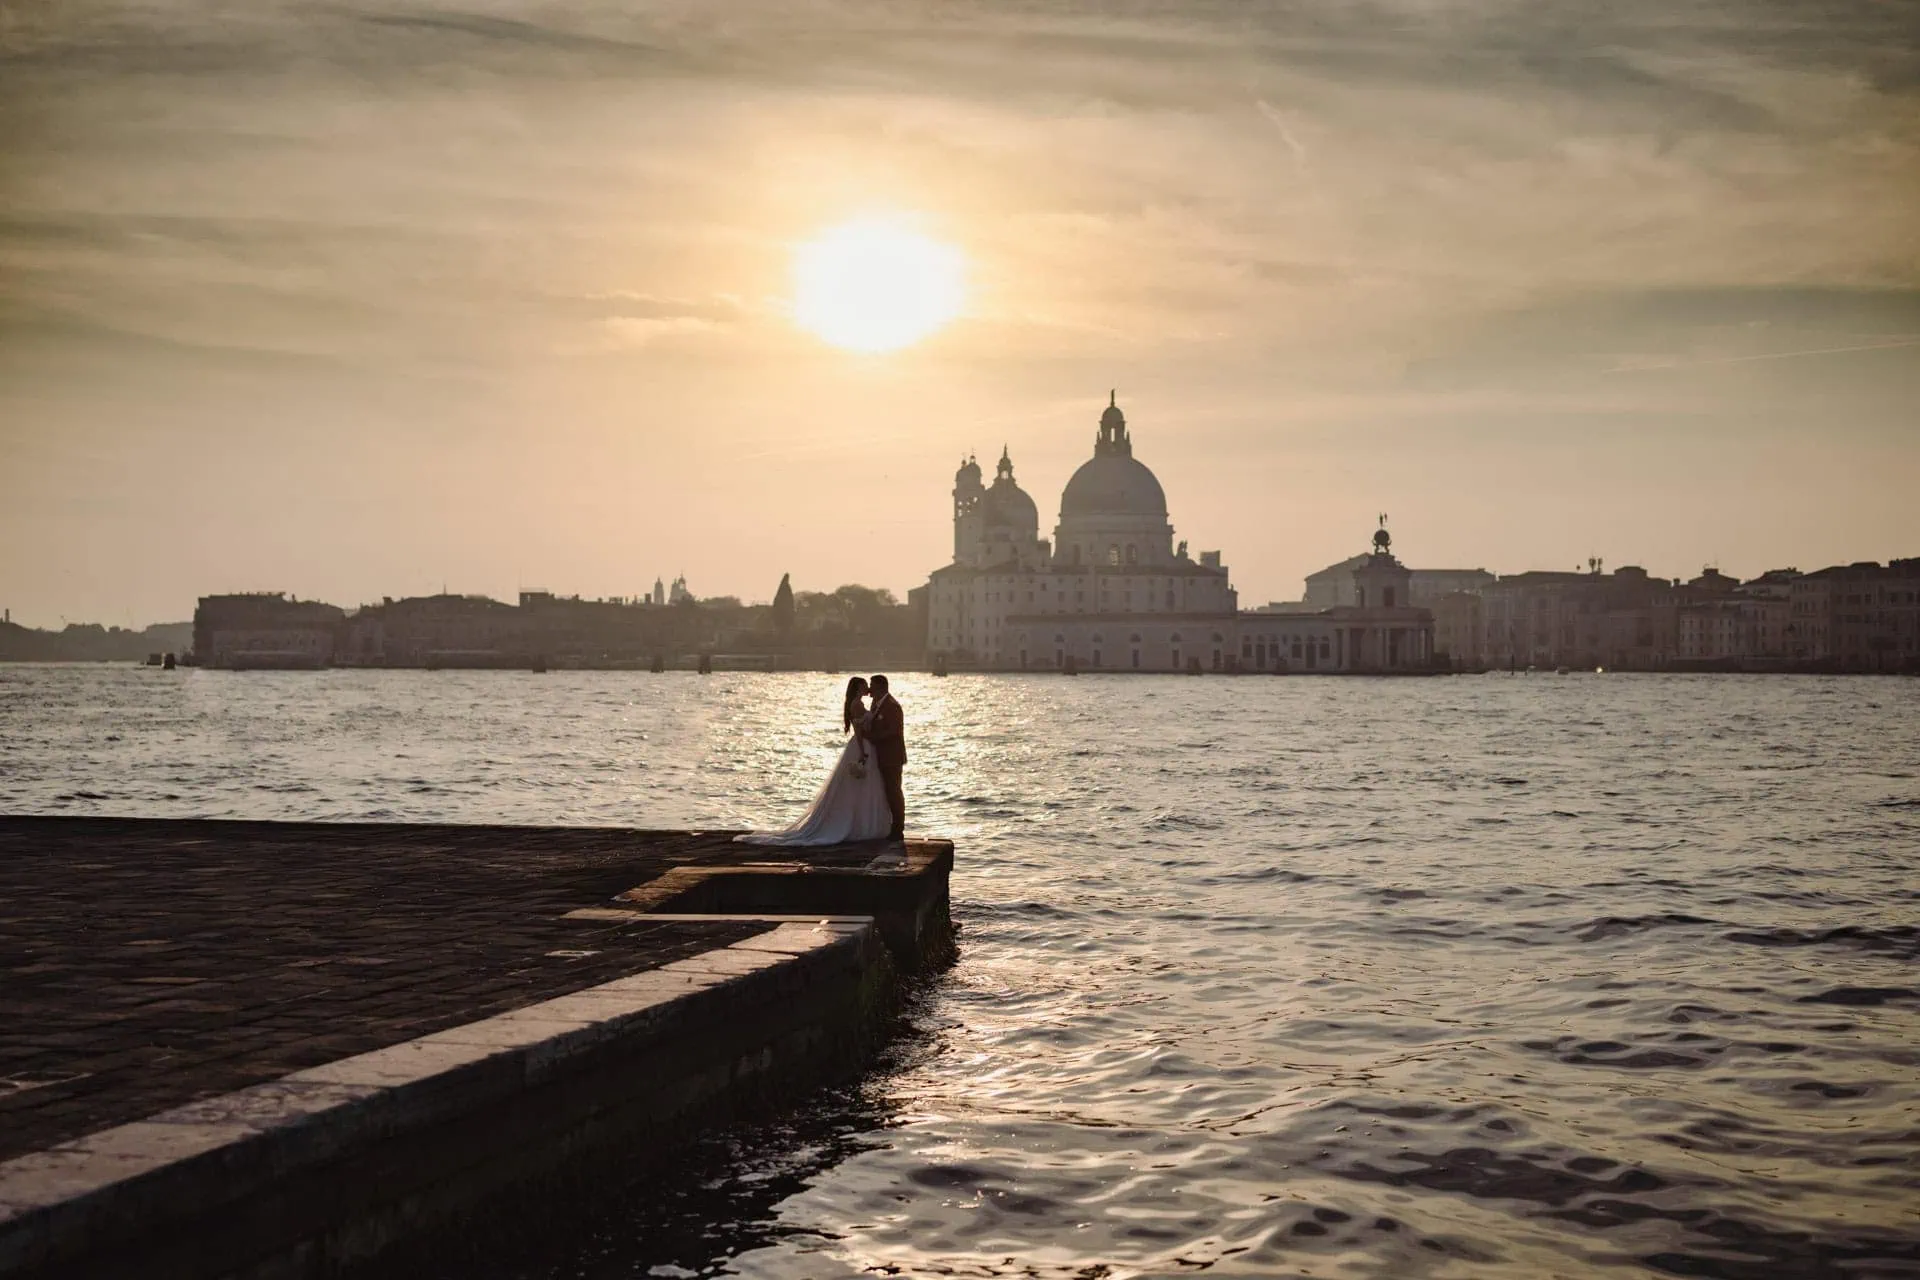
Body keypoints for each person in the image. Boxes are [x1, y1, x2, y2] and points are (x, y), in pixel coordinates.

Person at [734, 677, 893, 846]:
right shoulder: (858, 705)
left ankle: (860, 823)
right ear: (857, 688)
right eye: (864, 686)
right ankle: (861, 824)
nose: (867, 688)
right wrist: (862, 752)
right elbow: (859, 731)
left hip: (863, 745)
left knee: (861, 787)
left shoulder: (858, 703)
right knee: (861, 786)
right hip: (862, 746)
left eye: (868, 686)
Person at [865, 674, 906, 841]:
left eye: (872, 686)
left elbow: (894, 731)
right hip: (880, 756)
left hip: (892, 756)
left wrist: (872, 737)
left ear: (881, 687)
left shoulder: (892, 706)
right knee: (885, 791)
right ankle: (886, 826)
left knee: (893, 791)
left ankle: (898, 828)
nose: (869, 690)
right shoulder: (876, 704)